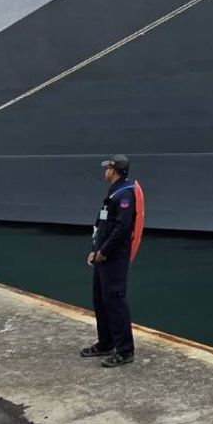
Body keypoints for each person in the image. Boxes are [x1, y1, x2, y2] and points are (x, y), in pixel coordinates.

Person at [80, 156, 144, 367]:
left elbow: (122, 229)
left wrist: (104, 252)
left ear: (114, 170)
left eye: (107, 168)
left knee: (115, 302)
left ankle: (125, 350)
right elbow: (102, 225)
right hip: (102, 258)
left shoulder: (125, 194)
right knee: (100, 299)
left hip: (114, 259)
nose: (105, 171)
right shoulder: (114, 192)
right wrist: (94, 250)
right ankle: (106, 342)